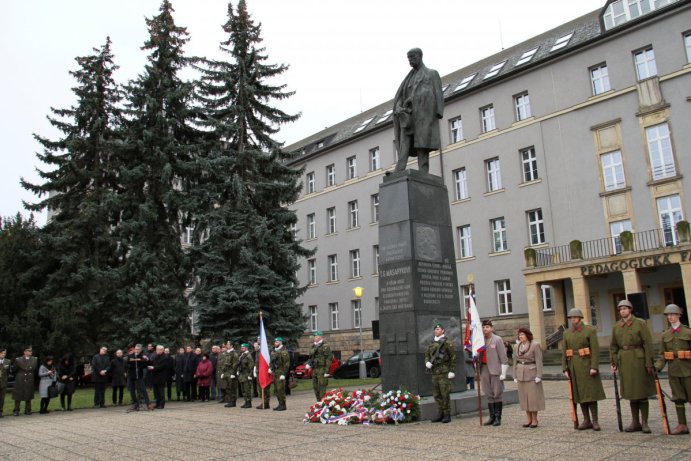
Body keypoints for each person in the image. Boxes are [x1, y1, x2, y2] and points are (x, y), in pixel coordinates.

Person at [393, 48, 443, 173]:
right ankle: (399, 169)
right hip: (408, 116)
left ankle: (423, 172)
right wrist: (398, 107)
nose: (410, 60)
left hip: (423, 116)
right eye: (408, 58)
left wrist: (437, 114)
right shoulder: (408, 79)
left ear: (420, 56)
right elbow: (400, 96)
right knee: (404, 143)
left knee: (422, 147)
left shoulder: (431, 74)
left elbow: (438, 94)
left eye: (412, 57)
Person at [611, 299, 656, 433]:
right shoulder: (617, 326)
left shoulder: (640, 323)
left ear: (630, 309)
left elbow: (647, 343)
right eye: (620, 309)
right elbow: (613, 346)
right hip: (624, 360)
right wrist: (614, 362)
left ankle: (645, 422)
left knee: (641, 391)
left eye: (625, 308)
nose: (622, 311)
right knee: (631, 392)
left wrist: (649, 362)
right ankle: (635, 422)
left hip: (638, 359)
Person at [563, 308, 606, 431]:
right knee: (579, 394)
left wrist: (594, 366)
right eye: (571, 318)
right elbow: (565, 352)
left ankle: (595, 420)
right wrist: (565, 368)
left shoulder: (590, 331)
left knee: (591, 394)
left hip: (587, 364)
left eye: (575, 317)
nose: (573, 319)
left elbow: (595, 350)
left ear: (580, 318)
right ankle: (586, 420)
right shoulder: (567, 333)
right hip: (574, 366)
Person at [655, 304, 691, 435]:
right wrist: (657, 367)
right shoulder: (665, 335)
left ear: (679, 315)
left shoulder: (688, 332)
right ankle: (682, 425)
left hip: (688, 370)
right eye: (668, 315)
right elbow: (662, 354)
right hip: (674, 370)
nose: (670, 317)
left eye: (673, 314)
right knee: (678, 397)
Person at [424, 323, 457, 423]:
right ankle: (440, 413)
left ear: (443, 330)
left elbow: (453, 357)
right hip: (435, 372)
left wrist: (452, 370)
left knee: (445, 393)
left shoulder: (447, 342)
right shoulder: (431, 343)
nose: (436, 331)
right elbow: (427, 355)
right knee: (436, 394)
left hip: (444, 371)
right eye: (435, 329)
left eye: (438, 329)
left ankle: (447, 414)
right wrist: (427, 362)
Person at [513, 327, 545, 428]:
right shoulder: (516, 346)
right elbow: (514, 361)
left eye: (523, 334)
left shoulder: (535, 345)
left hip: (531, 373)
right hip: (520, 372)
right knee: (524, 398)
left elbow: (539, 361)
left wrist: (539, 375)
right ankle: (528, 419)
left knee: (532, 398)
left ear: (527, 335)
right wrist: (514, 375)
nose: (521, 336)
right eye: (519, 335)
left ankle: (535, 419)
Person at [479, 320, 509, 426]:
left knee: (497, 393)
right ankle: (491, 417)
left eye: (487, 327)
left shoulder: (497, 339)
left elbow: (503, 356)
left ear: (491, 328)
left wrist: (503, 371)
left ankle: (497, 417)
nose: (485, 329)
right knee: (488, 393)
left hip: (495, 369)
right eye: (483, 327)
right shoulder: (480, 340)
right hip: (483, 368)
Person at [265, 337, 290, 411]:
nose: (275, 343)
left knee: (280, 389)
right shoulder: (274, 351)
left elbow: (287, 364)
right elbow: (272, 362)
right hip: (275, 373)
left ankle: (283, 405)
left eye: (277, 342)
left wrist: (284, 374)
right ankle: (280, 404)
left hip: (281, 372)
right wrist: (270, 368)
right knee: (276, 390)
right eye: (275, 342)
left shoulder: (284, 351)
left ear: (280, 342)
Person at [126, 344, 154, 411]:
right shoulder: (130, 356)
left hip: (139, 376)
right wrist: (130, 365)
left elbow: (149, 364)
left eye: (138, 349)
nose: (137, 350)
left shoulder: (142, 357)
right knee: (132, 390)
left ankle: (148, 404)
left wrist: (147, 359)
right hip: (131, 375)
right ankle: (135, 405)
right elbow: (126, 365)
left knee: (143, 390)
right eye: (136, 349)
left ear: (141, 350)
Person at [12, 346, 38, 416]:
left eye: (31, 351)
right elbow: (14, 370)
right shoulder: (18, 360)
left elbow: (35, 369)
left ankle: (28, 410)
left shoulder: (34, 359)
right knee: (18, 394)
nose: (30, 352)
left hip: (30, 378)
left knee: (28, 394)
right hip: (20, 378)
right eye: (29, 351)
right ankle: (16, 410)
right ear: (25, 352)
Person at [305, 331, 331, 401]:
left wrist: (327, 371)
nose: (315, 338)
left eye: (317, 337)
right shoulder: (313, 346)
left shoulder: (325, 346)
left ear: (321, 337)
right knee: (315, 386)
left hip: (322, 369)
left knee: (322, 386)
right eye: (315, 336)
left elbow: (328, 358)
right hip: (314, 369)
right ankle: (318, 401)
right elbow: (311, 357)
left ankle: (322, 403)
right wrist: (308, 364)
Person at [223, 341, 240, 408]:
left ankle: (233, 402)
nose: (227, 345)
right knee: (228, 387)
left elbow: (235, 364)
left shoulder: (234, 353)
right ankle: (229, 401)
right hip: (227, 372)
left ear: (231, 345)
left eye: (228, 344)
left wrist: (233, 373)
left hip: (231, 373)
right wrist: (223, 372)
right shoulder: (226, 353)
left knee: (232, 387)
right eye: (226, 344)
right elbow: (224, 363)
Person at [237, 343, 254, 408]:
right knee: (243, 389)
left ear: (246, 348)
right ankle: (246, 401)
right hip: (242, 374)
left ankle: (249, 403)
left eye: (243, 348)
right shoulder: (242, 355)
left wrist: (250, 375)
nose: (241, 349)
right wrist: (238, 371)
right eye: (241, 348)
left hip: (246, 374)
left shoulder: (248, 355)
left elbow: (251, 365)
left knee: (247, 389)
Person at [0, 348, 9, 417]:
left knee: (2, 398)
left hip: (3, 382)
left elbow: (8, 372)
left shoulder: (8, 361)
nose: (3, 354)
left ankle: (0, 412)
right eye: (2, 353)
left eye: (4, 353)